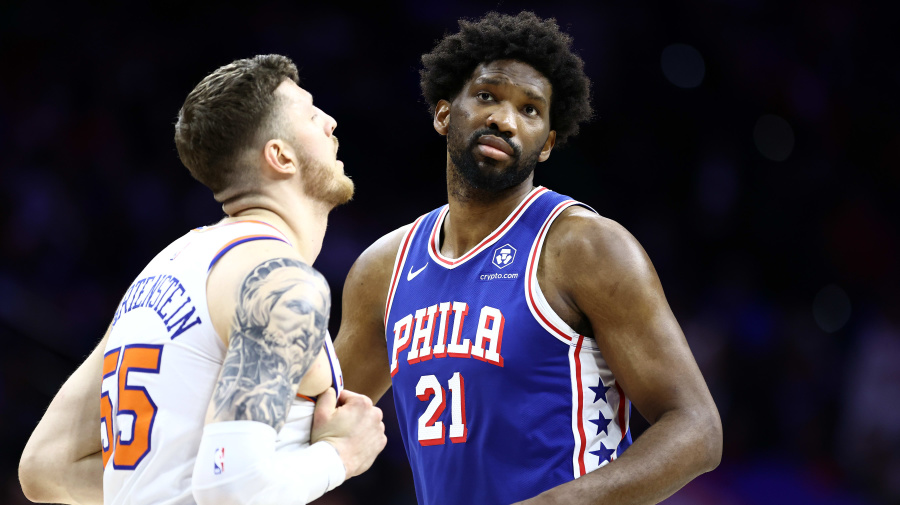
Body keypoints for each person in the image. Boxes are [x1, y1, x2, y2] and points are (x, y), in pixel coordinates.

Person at [335, 11, 722, 505]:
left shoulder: (585, 247)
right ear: (443, 113)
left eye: (531, 110)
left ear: (547, 145)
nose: (505, 119)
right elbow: (321, 421)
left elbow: (697, 430)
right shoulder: (383, 268)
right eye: (487, 96)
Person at [18, 54, 386, 505]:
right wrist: (340, 455)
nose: (330, 122)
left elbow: (48, 466)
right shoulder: (281, 283)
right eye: (311, 114)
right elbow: (230, 490)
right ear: (281, 156)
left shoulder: (163, 269)